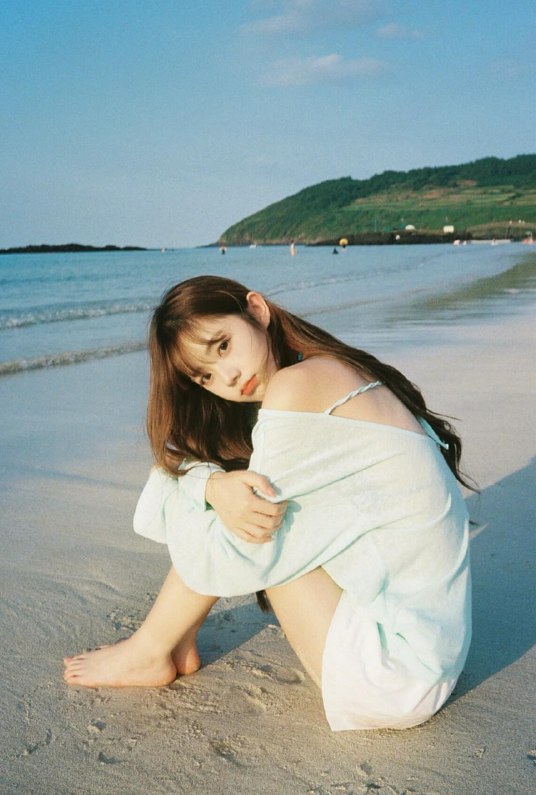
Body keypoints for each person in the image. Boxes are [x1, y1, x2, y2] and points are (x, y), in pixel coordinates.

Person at [64, 275, 473, 731]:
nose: (228, 377)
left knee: (244, 523)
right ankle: (169, 643)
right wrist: (213, 486)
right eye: (205, 376)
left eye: (223, 346)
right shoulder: (330, 370)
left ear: (257, 311)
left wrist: (206, 489)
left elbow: (236, 548)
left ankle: (150, 650)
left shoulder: (298, 386)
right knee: (241, 506)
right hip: (432, 652)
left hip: (393, 677)